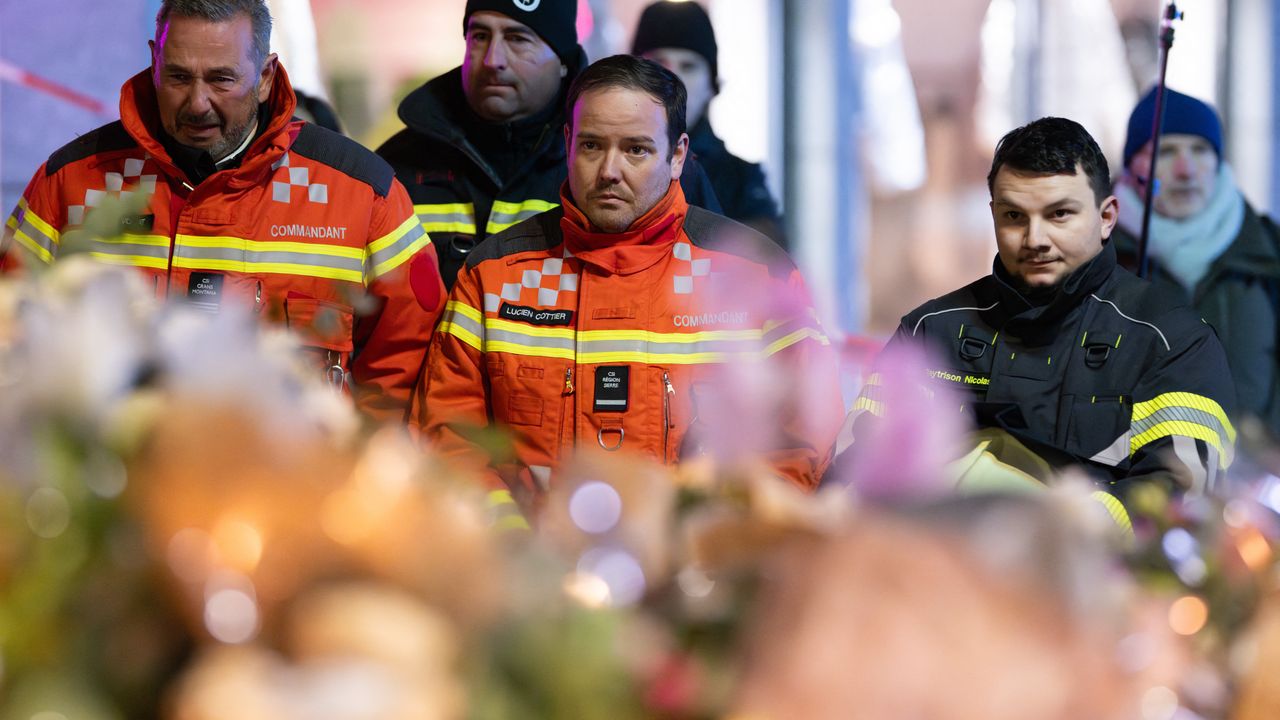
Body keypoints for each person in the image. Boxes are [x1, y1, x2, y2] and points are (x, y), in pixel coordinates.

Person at [413, 55, 843, 521]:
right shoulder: (495, 276)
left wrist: (716, 539)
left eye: (636, 149)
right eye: (592, 146)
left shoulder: (755, 277)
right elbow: (449, 435)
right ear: (567, 143)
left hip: (697, 561)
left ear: (677, 156)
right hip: (529, 558)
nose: (609, 171)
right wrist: (510, 540)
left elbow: (802, 439)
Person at [0, 0, 445, 422]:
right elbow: (10, 340)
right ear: (154, 61)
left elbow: (406, 375)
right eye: (178, 77)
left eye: (221, 80)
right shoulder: (71, 181)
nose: (197, 103)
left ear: (266, 75)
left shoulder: (362, 195)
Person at [833, 117, 1237, 496]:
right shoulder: (929, 331)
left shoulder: (1171, 341)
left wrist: (1065, 526)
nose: (1034, 239)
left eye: (1059, 214)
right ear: (993, 215)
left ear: (1107, 217)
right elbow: (851, 477)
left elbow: (1180, 498)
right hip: (933, 548)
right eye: (1014, 216)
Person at [377, 0, 723, 291]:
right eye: (480, 36)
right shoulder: (399, 165)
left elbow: (716, 291)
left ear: (561, 60)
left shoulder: (662, 170)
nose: (493, 59)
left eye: (518, 39)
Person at [1112, 87, 1280, 435]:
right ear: (1132, 167)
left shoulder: (1268, 248)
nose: (1186, 170)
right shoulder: (1099, 256)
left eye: (1201, 150)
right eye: (1165, 151)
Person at [631, 0, 786, 250]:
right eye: (658, 63)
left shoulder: (740, 181)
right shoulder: (602, 161)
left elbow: (768, 263)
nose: (674, 78)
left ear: (712, 85)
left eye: (688, 66)